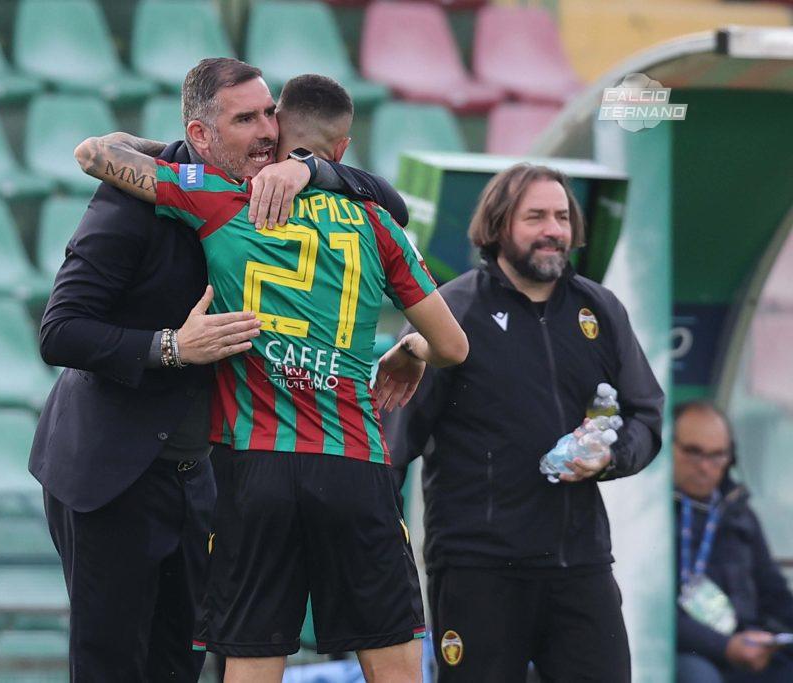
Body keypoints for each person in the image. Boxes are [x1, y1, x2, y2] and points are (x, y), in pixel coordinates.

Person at [75, 72, 469, 683]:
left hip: (252, 470)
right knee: (392, 661)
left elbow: (93, 154)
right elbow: (454, 345)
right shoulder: (377, 223)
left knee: (255, 659)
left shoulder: (216, 198)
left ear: (276, 132)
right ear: (340, 149)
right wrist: (409, 350)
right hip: (354, 463)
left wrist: (170, 147)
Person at [382, 163, 665, 682]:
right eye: (535, 216)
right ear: (498, 225)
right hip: (477, 569)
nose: (553, 230)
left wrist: (610, 455)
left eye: (561, 216)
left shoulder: (599, 310)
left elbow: (645, 414)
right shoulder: (451, 310)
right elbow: (393, 441)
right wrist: (378, 547)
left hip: (580, 564)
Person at [672, 401, 793, 683]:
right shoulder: (651, 517)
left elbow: (772, 589)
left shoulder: (738, 511)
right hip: (691, 649)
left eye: (717, 456)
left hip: (748, 643)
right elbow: (653, 613)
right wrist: (725, 647)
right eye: (693, 452)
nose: (704, 467)